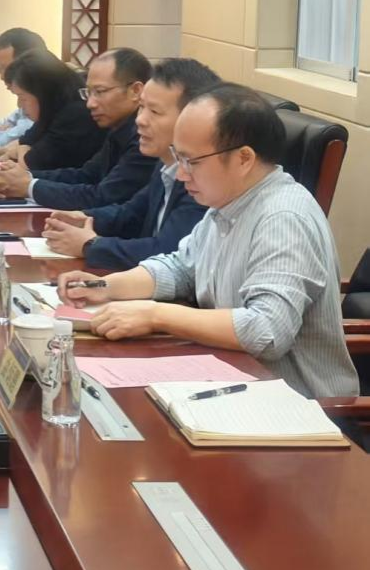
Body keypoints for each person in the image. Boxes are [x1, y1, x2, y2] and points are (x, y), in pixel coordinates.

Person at [57, 84, 359, 398]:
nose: (181, 174)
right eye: (178, 157)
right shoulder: (228, 202)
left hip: (295, 405)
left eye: (192, 161)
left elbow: (266, 331)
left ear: (243, 158)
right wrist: (105, 286)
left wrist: (155, 315)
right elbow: (180, 268)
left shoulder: (283, 218)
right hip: (232, 381)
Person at [42, 57, 219, 269]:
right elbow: (131, 213)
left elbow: (169, 252)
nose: (140, 120)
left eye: (154, 111)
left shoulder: (203, 178)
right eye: (141, 108)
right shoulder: (166, 163)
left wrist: (90, 245)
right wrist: (84, 218)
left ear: (193, 118)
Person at [0, 48, 155, 208]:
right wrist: (24, 178)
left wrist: (29, 186)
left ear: (135, 91)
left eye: (100, 92)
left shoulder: (145, 137)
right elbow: (86, 175)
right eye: (89, 93)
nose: (90, 103)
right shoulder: (118, 128)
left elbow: (103, 196)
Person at [0, 49, 103, 171]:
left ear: (43, 93)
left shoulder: (75, 115)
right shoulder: (53, 109)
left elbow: (29, 164)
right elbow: (25, 141)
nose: (19, 105)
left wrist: (21, 150)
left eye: (23, 97)